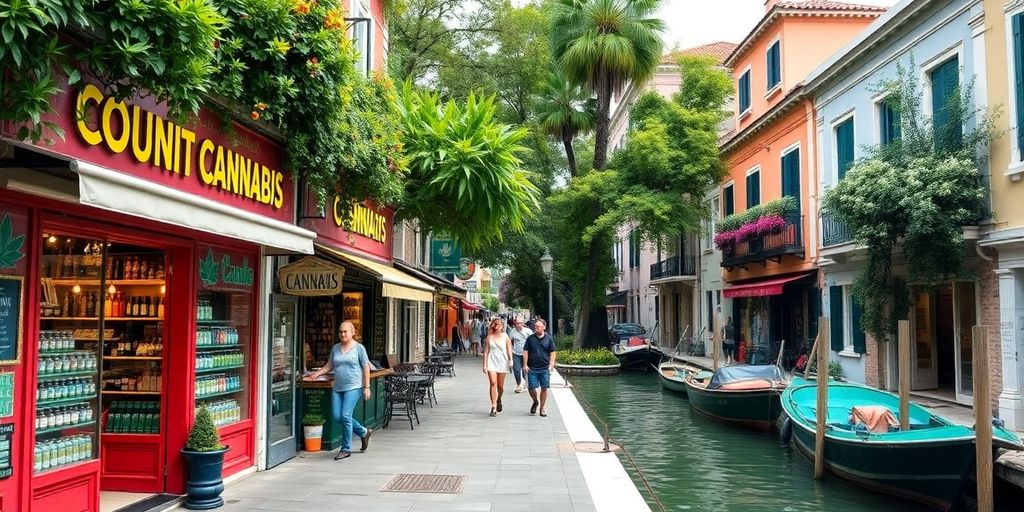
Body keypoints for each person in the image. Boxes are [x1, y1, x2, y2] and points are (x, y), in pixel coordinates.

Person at [303, 321, 372, 460]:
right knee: (337, 416)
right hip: (338, 387)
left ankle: (346, 448)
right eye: (340, 332)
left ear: (353, 332)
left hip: (354, 387)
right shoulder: (335, 348)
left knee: (346, 415)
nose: (342, 334)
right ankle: (363, 432)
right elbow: (330, 365)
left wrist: (367, 387)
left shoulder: (359, 348)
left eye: (345, 331)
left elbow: (366, 367)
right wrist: (317, 374)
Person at [523, 319, 557, 417]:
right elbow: (525, 351)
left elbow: (553, 351)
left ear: (544, 327)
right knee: (531, 387)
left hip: (544, 368)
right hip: (532, 367)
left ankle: (542, 408)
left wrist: (552, 363)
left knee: (544, 387)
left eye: (538, 326)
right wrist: (525, 364)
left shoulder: (549, 339)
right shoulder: (530, 339)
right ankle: (535, 401)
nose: (536, 328)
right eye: (535, 326)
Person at [481, 317, 513, 416]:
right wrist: (485, 364)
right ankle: (494, 406)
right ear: (494, 327)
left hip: (502, 361)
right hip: (492, 360)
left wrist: (511, 360)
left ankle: (499, 399)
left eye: (500, 325)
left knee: (500, 386)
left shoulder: (505, 336)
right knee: (493, 383)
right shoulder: (489, 338)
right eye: (497, 325)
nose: (499, 326)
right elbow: (486, 351)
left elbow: (509, 349)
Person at [508, 316, 531, 393]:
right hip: (516, 353)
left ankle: (525, 383)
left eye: (520, 323)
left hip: (526, 354)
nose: (519, 325)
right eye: (517, 323)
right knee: (516, 369)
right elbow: (508, 341)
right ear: (515, 324)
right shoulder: (512, 331)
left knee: (526, 370)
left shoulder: (528, 331)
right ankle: (519, 384)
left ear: (523, 323)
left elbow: (533, 341)